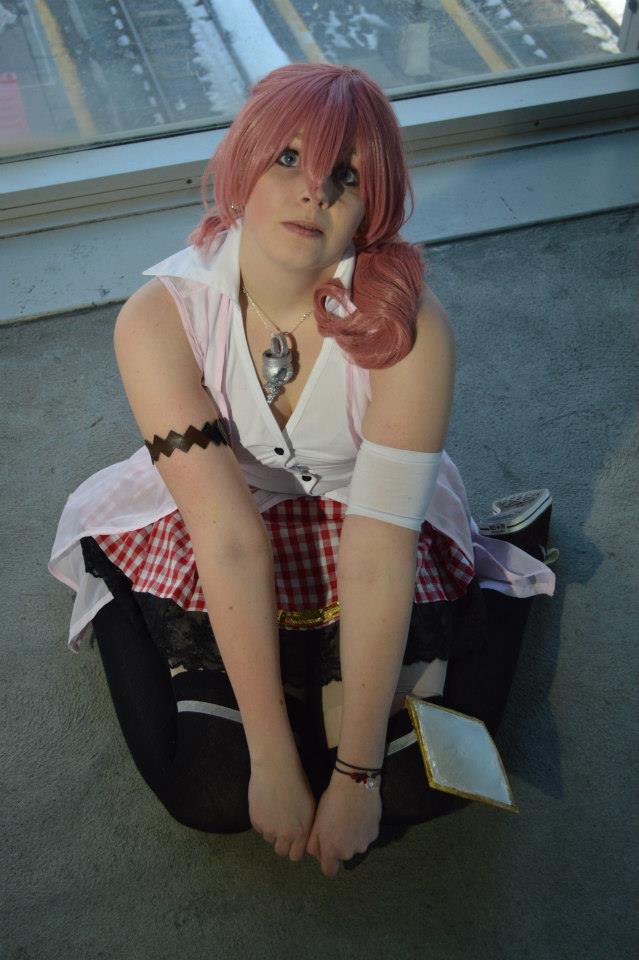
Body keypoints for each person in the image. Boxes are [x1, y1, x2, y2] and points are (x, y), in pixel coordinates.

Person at [48, 62, 556, 878]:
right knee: (212, 792)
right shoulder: (157, 318)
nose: (313, 191)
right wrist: (272, 761)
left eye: (344, 176)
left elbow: (378, 550)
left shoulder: (413, 330)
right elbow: (228, 540)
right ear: (241, 162)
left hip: (368, 524)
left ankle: (507, 567)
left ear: (370, 205)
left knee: (415, 785)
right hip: (221, 514)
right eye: (287, 158)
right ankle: (114, 583)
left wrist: (355, 777)